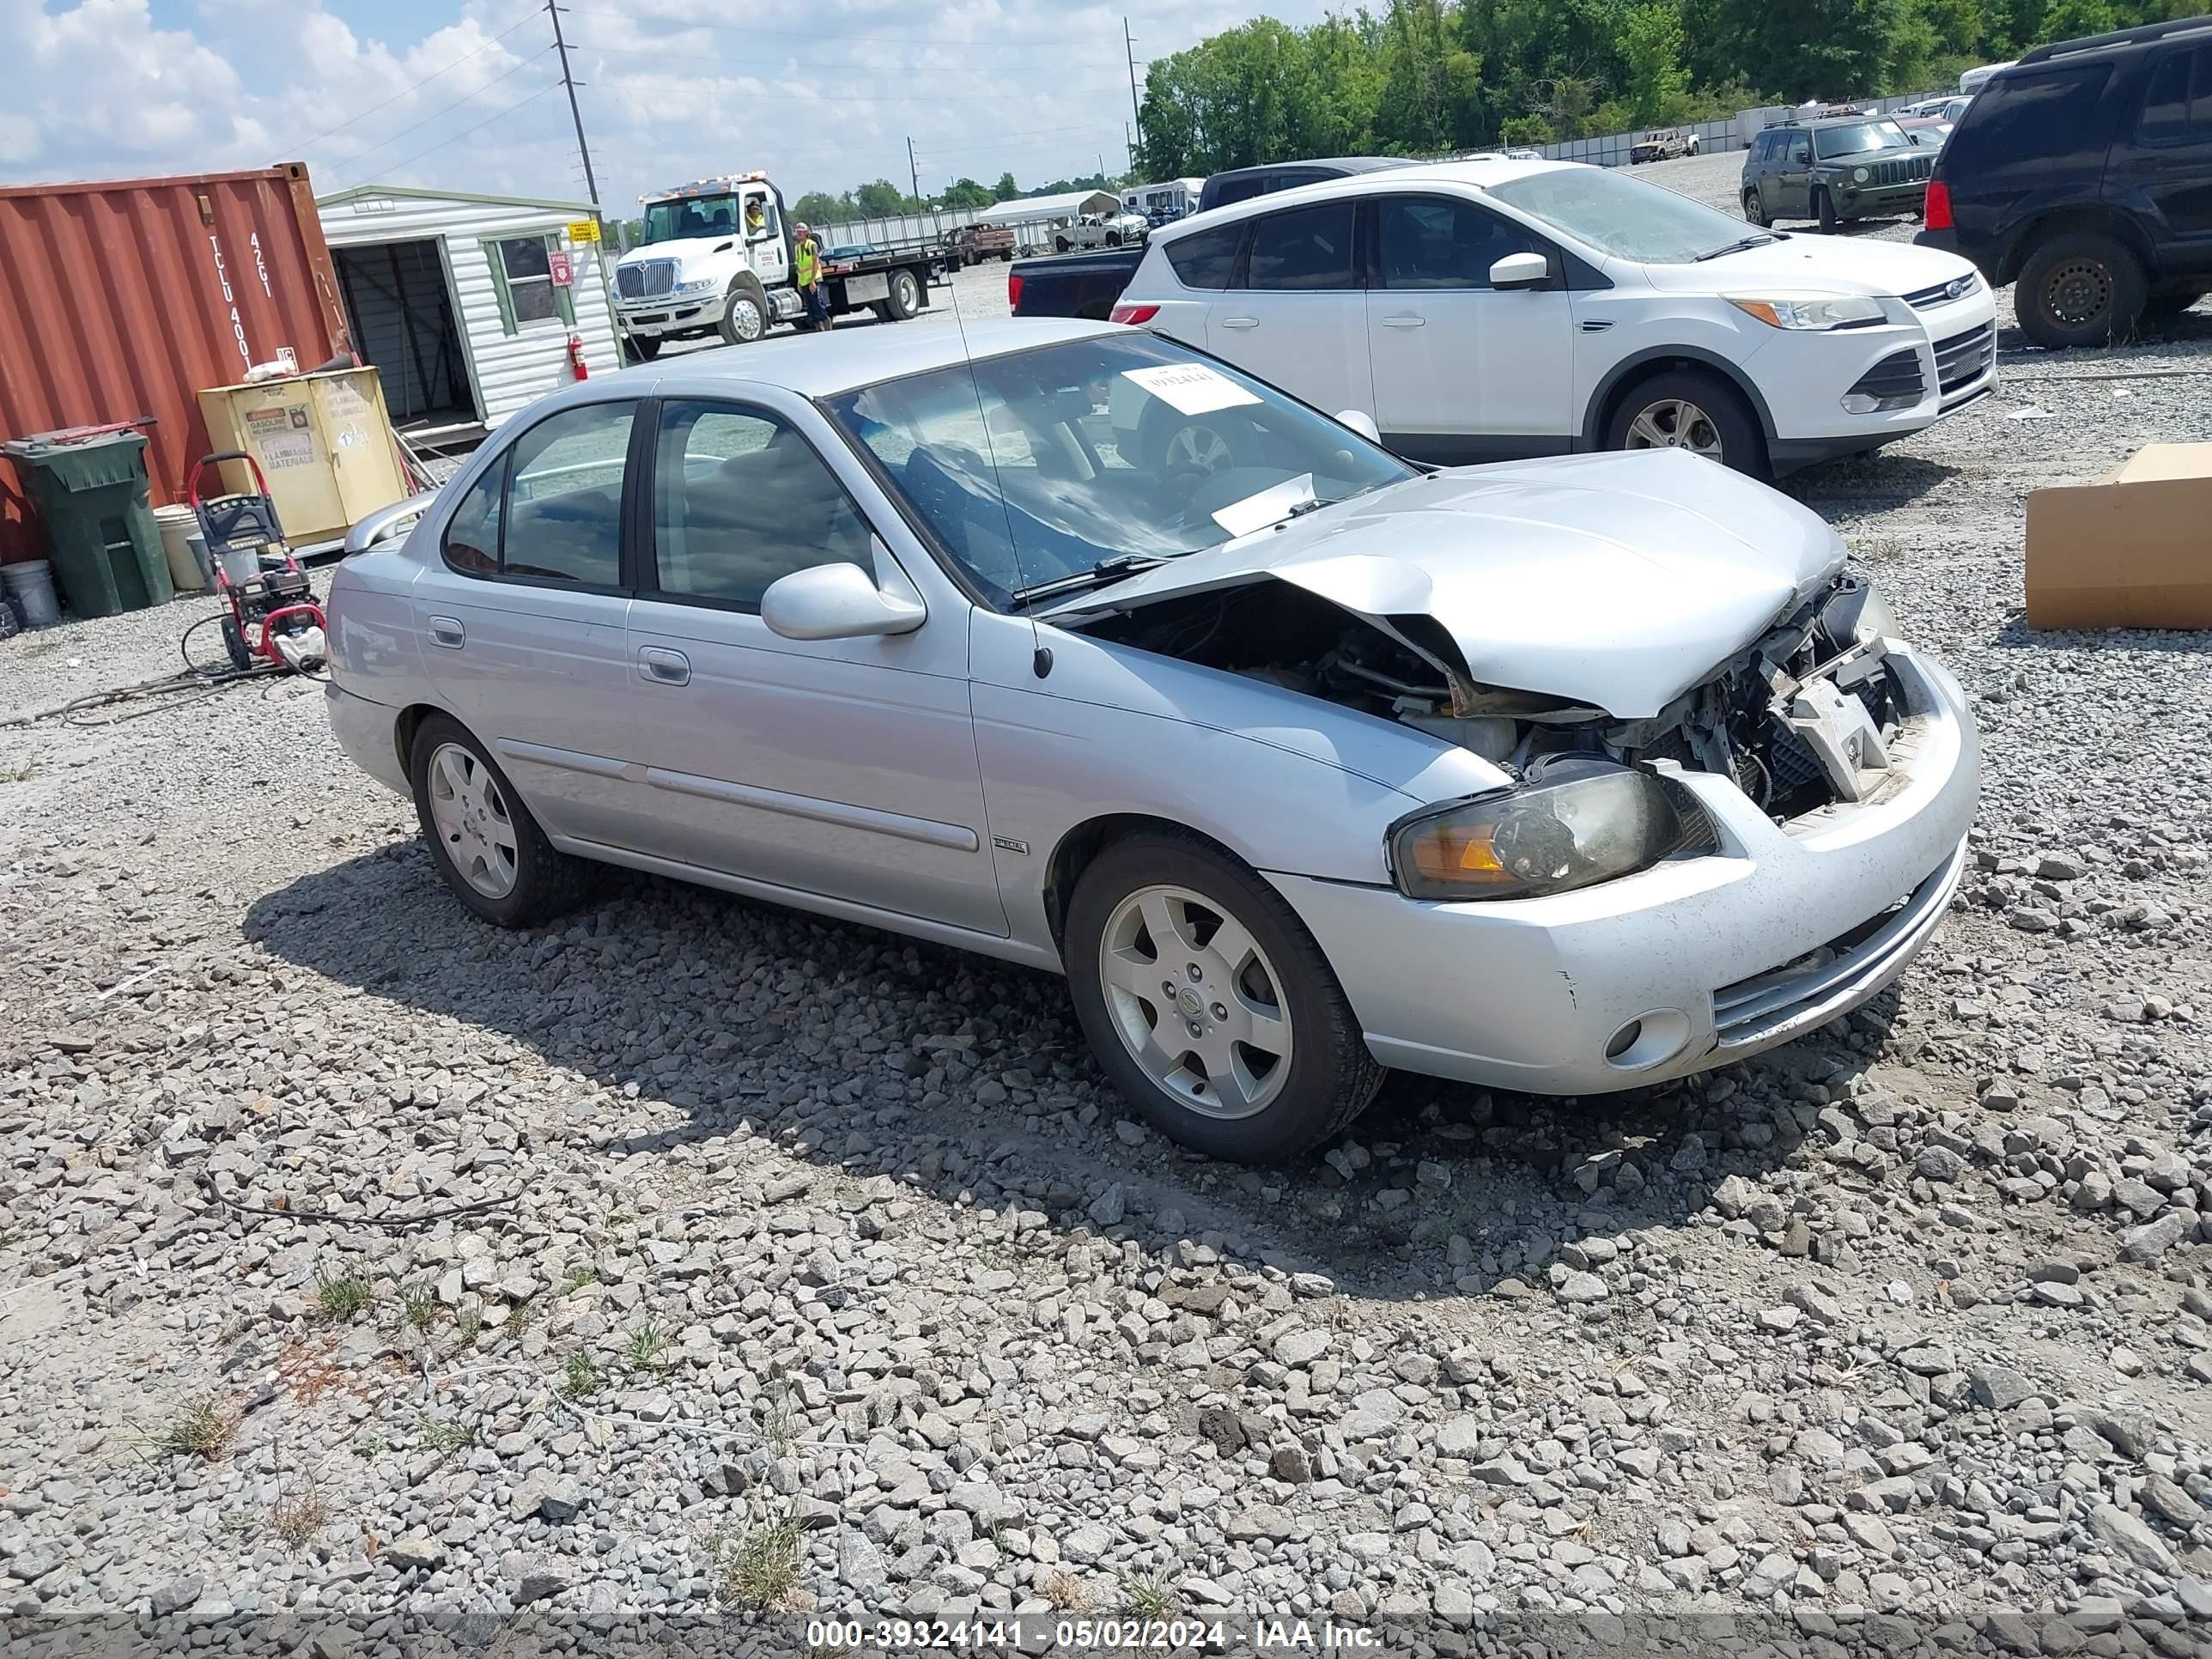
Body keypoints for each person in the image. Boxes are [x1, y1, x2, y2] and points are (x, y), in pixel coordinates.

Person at [793, 222, 830, 333]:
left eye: (801, 231)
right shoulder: (797, 248)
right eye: (797, 231)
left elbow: (815, 262)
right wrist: (799, 282)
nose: (798, 233)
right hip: (804, 280)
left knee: (817, 303)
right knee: (810, 306)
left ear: (806, 233)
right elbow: (799, 265)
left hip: (813, 279)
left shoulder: (811, 245)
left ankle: (827, 325)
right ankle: (819, 328)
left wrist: (813, 281)